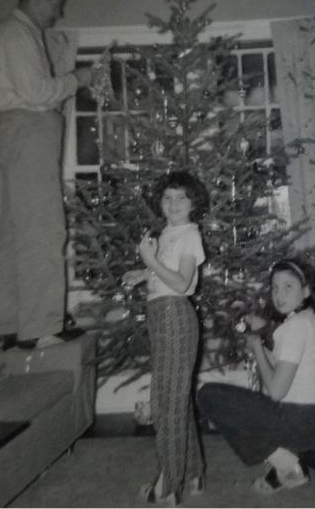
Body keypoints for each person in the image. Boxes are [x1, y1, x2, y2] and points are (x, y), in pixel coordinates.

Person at [0, 0, 92, 351]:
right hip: (29, 131)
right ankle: (40, 328)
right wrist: (75, 79)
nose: (58, 10)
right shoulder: (17, 34)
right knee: (44, 229)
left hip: (14, 132)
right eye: (55, 1)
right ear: (37, 0)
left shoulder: (9, 34)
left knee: (12, 234)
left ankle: (7, 324)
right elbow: (37, 92)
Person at [198, 259, 315, 501]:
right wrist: (258, 346)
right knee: (290, 430)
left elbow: (277, 391)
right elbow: (287, 366)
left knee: (209, 394)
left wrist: (258, 348)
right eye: (275, 287)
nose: (279, 294)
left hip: (302, 420)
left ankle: (287, 465)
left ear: (306, 290)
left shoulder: (294, 328)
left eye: (288, 286)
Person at [123, 171, 209, 507]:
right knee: (175, 399)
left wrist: (150, 260)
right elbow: (165, 271)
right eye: (167, 197)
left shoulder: (190, 235)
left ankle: (168, 484)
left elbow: (182, 282)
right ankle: (194, 471)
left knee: (166, 405)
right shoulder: (169, 233)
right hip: (162, 317)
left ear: (194, 203)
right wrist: (143, 272)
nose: (173, 204)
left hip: (175, 315)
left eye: (182, 197)